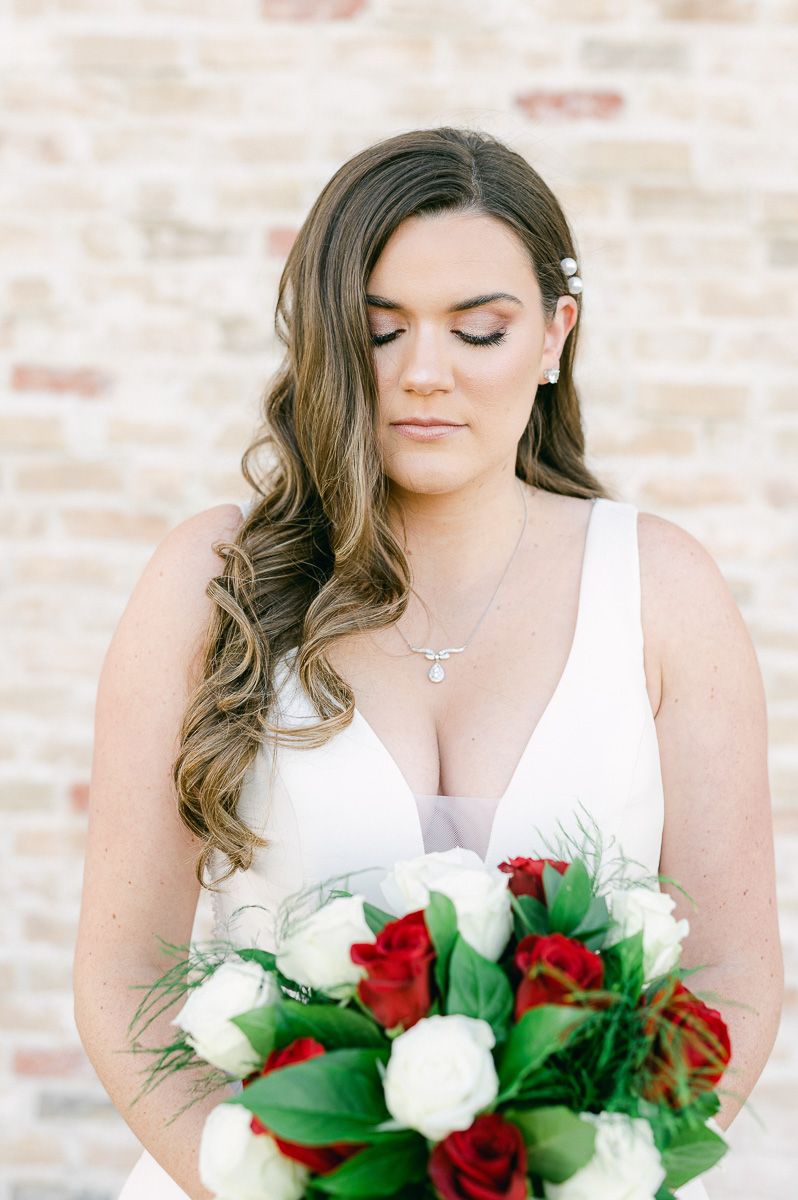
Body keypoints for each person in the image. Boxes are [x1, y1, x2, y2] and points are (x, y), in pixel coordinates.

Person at [73, 127, 783, 1200]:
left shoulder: (663, 588)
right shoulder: (203, 584)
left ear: (555, 335)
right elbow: (123, 978)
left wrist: (595, 1181)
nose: (422, 375)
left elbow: (732, 978)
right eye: (379, 329)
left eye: (479, 330)